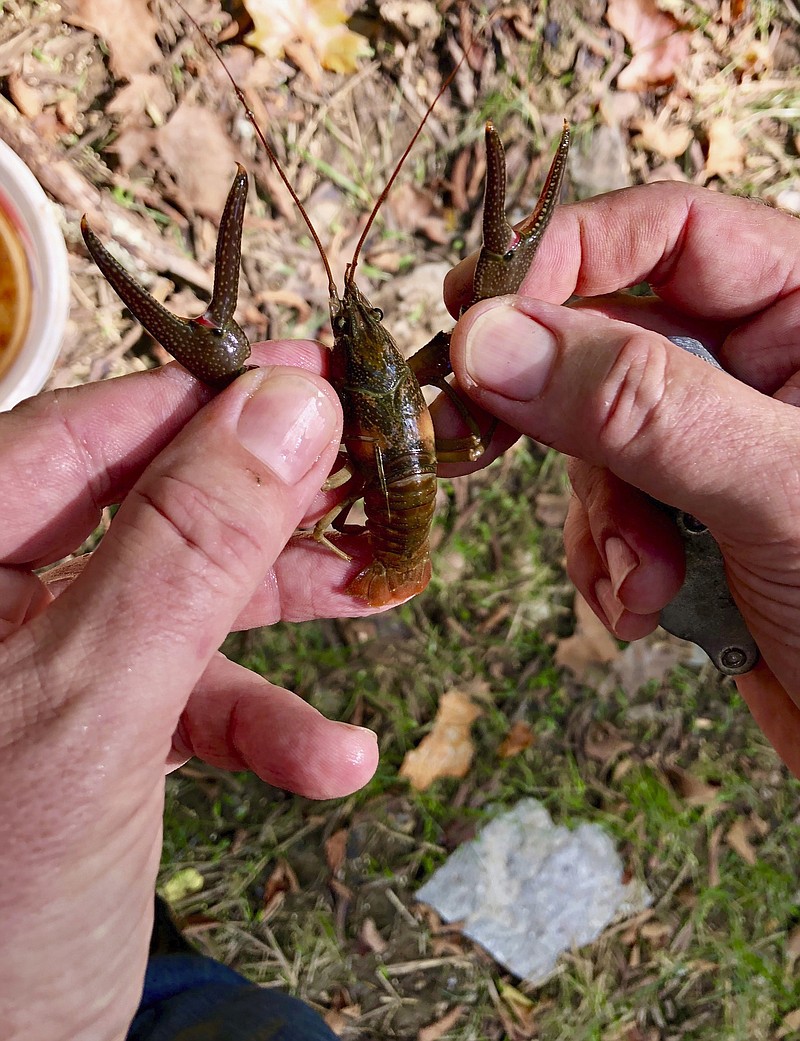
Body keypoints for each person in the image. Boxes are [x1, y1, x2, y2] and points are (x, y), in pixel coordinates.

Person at [2, 178, 799, 1039]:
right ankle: (155, 952)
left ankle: (149, 951)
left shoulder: (362, 401)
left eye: (355, 327)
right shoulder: (409, 372)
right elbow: (443, 419)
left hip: (391, 530)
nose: (352, 331)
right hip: (394, 517)